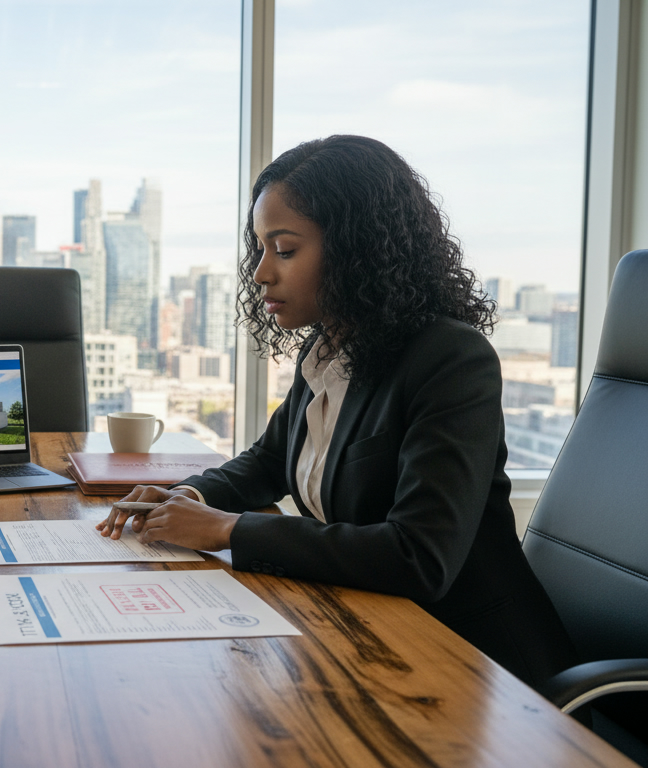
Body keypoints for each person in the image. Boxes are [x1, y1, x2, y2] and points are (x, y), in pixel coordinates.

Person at [97, 135, 575, 686]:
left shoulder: (451, 359)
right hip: (371, 636)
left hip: (477, 669)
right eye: (259, 249)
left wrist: (227, 530)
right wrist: (193, 496)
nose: (261, 274)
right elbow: (269, 461)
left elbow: (418, 556)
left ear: (357, 249)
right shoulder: (329, 349)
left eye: (285, 249)